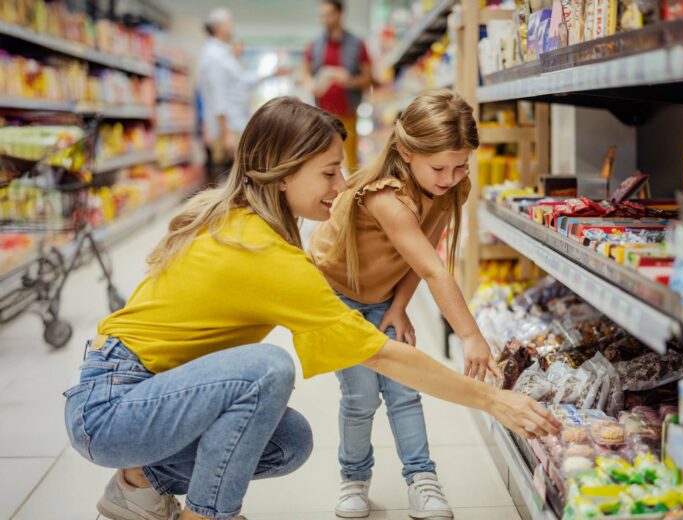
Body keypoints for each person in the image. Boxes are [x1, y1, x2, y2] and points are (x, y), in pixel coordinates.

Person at [62, 97, 561, 520]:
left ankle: (137, 485)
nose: (341, 185)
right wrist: (493, 400)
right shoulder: (263, 253)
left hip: (137, 394)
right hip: (110, 408)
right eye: (328, 172)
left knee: (290, 442)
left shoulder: (242, 222)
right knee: (266, 369)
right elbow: (382, 356)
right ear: (282, 175)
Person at [308, 90, 501, 519]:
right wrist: (469, 335)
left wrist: (399, 304)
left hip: (381, 295)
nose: (450, 177)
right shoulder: (385, 199)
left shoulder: (449, 188)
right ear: (405, 153)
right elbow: (436, 270)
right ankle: (353, 478)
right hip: (336, 298)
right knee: (360, 397)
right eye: (439, 167)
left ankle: (422, 478)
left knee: (405, 390)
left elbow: (425, 251)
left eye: (460, 166)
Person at [197, 8, 277, 185]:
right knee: (229, 176)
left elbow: (241, 82)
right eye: (229, 23)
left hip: (234, 124)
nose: (232, 28)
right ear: (218, 27)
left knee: (237, 175)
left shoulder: (224, 54)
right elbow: (218, 96)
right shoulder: (214, 56)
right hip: (226, 126)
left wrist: (271, 74)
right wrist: (226, 132)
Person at [302, 0, 372, 173]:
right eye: (322, 15)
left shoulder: (357, 44)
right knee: (323, 160)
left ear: (340, 14)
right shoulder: (315, 45)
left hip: (348, 113)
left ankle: (352, 198)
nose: (324, 19)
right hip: (322, 115)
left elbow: (368, 78)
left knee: (351, 162)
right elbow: (304, 73)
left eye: (328, 14)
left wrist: (348, 80)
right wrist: (310, 83)